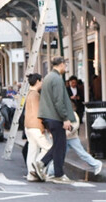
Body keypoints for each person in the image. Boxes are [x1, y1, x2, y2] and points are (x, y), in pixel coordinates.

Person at [32, 56, 77, 184]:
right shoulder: (57, 79)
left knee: (59, 145)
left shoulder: (48, 77)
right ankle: (54, 171)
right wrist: (65, 118)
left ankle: (47, 167)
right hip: (55, 117)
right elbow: (59, 101)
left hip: (49, 116)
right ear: (61, 64)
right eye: (65, 65)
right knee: (60, 145)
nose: (66, 67)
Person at [46, 101, 103, 177]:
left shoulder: (73, 115)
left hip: (72, 138)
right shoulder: (64, 115)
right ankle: (51, 171)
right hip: (64, 138)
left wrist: (66, 132)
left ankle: (97, 164)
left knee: (81, 153)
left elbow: (75, 126)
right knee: (58, 155)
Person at [23, 73, 52, 182]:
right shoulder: (36, 95)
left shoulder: (29, 93)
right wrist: (42, 126)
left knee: (32, 150)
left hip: (28, 126)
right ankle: (38, 166)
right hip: (36, 126)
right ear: (38, 81)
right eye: (42, 81)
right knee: (48, 148)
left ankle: (31, 174)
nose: (43, 83)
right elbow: (38, 112)